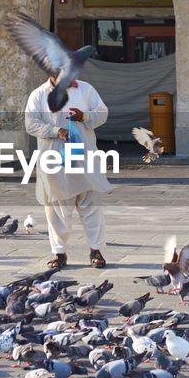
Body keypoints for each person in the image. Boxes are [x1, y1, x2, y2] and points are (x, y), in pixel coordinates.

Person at [24, 74, 112, 269]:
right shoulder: (39, 95)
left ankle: (96, 250)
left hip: (85, 158)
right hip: (55, 161)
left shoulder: (85, 89)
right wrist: (56, 131)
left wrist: (84, 116)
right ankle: (59, 253)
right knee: (57, 210)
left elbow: (102, 112)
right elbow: (31, 124)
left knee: (91, 205)